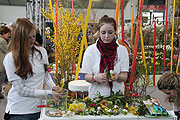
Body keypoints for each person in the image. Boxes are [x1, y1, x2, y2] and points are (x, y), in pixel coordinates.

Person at [3, 18, 61, 120]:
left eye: (33, 36)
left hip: (38, 109)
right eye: (28, 38)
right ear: (19, 38)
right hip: (19, 111)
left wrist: (53, 87)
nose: (32, 40)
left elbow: (45, 75)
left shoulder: (41, 52)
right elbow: (21, 90)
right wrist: (48, 93)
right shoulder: (10, 58)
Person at [81, 15, 129, 99]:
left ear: (115, 32)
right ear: (99, 32)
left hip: (117, 96)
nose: (106, 36)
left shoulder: (122, 50)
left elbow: (124, 76)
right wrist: (95, 78)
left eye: (110, 32)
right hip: (96, 97)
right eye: (103, 33)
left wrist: (117, 77)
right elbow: (86, 77)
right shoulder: (90, 51)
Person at [0, 26, 11, 99]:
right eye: (8, 34)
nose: (9, 35)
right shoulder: (2, 41)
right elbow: (7, 50)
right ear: (3, 33)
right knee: (1, 79)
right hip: (1, 63)